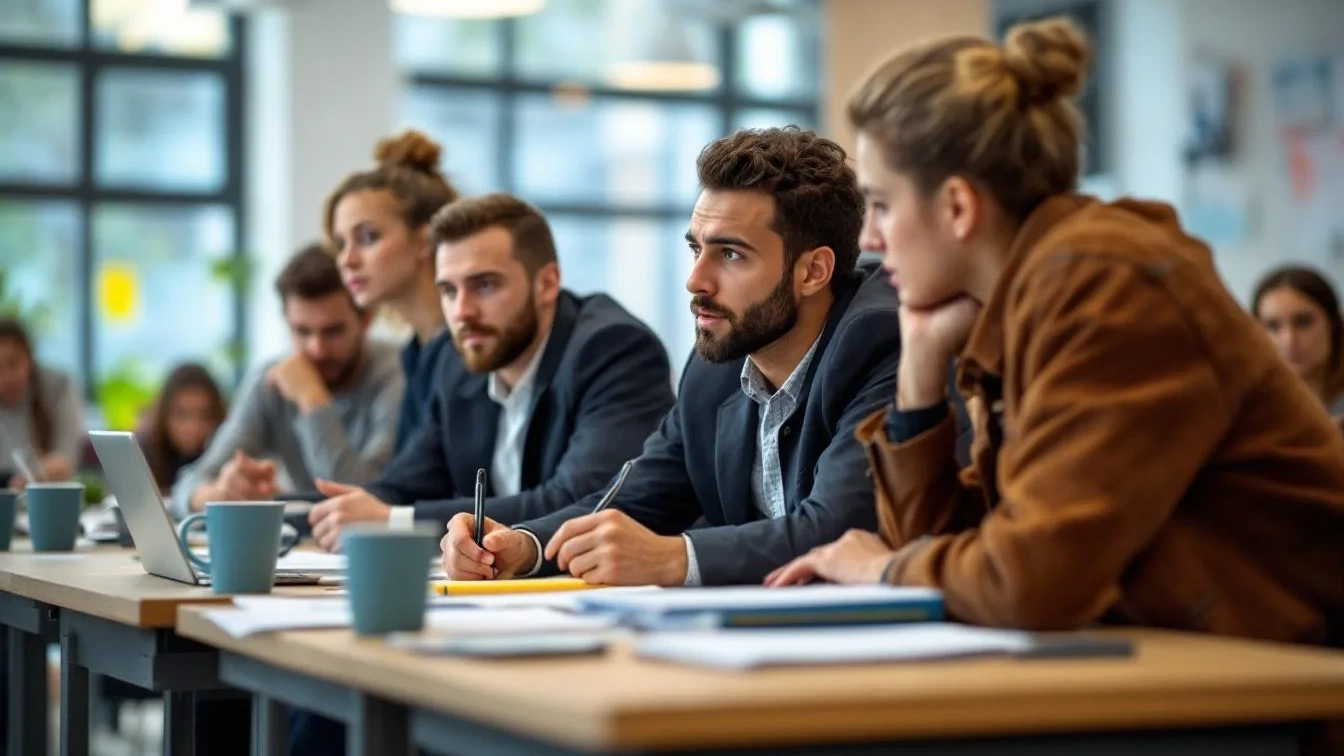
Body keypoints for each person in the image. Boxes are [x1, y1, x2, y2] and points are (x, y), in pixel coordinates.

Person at [765, 17, 1344, 648]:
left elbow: (1025, 580)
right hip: (1206, 663)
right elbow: (957, 548)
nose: (869, 239)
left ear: (958, 207)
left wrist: (881, 570)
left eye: (882, 204)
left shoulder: (1108, 284)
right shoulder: (1027, 296)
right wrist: (921, 372)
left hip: (1300, 687)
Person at [440, 127, 901, 587]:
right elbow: (640, 497)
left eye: (732, 254)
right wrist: (523, 546)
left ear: (813, 271)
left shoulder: (879, 342)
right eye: (696, 249)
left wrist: (674, 558)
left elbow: (840, 530)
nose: (696, 280)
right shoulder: (716, 365)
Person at [304, 192, 675, 552]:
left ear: (546, 284)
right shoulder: (458, 356)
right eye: (448, 291)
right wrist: (323, 512)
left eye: (484, 285)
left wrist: (395, 520)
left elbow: (581, 500)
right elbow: (405, 485)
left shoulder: (613, 348)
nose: (462, 312)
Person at [170, 245, 404, 517]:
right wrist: (216, 494)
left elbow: (364, 496)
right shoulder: (270, 379)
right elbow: (192, 480)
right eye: (302, 331)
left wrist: (311, 399)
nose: (317, 349)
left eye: (333, 331)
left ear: (366, 320)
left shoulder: (397, 374)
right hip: (306, 547)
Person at [327, 129, 460, 451]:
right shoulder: (415, 353)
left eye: (368, 237)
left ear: (423, 241)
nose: (347, 259)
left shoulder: (467, 348)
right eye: (341, 243)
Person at [0, 318, 83, 487]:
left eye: (13, 364)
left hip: (49, 496)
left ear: (29, 360)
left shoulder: (58, 387)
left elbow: (66, 461)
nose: (6, 377)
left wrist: (34, 474)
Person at [1252, 265, 1344, 416]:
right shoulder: (1250, 412)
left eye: (1303, 322)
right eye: (1273, 326)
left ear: (1333, 324)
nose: (1289, 340)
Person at [139, 362, 227, 494]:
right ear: (164, 415)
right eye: (182, 415)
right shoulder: (145, 451)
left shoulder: (226, 456)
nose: (193, 427)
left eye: (204, 415)